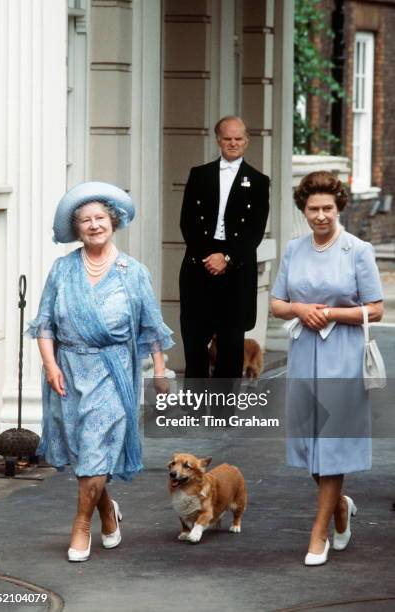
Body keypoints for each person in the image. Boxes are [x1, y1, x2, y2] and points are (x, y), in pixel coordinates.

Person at [28, 182, 173, 562]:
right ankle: (107, 510)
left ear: (114, 221)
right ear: (77, 229)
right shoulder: (62, 269)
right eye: (85, 220)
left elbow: (150, 326)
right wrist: (50, 365)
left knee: (94, 446)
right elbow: (44, 324)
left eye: (100, 218)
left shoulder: (133, 272)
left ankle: (80, 525)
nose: (94, 225)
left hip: (113, 370)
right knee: (85, 453)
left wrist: (159, 370)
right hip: (69, 370)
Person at [271, 171, 384, 566]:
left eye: (328, 209)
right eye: (313, 209)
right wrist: (301, 309)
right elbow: (277, 304)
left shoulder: (357, 250)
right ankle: (339, 506)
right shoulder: (293, 250)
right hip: (303, 353)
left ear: (339, 208)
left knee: (332, 443)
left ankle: (318, 532)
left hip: (343, 354)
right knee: (308, 443)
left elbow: (375, 308)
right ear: (303, 209)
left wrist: (332, 312)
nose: (320, 216)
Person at [179, 116, 270, 380]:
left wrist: (227, 257)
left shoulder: (258, 181)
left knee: (230, 347)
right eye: (227, 138)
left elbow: (255, 231)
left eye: (238, 139)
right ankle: (194, 412)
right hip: (199, 264)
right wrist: (209, 257)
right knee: (195, 342)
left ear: (246, 141)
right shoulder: (199, 174)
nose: (233, 143)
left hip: (237, 269)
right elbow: (187, 222)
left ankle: (222, 417)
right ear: (218, 140)